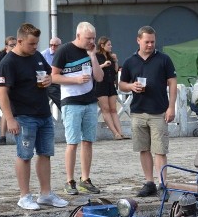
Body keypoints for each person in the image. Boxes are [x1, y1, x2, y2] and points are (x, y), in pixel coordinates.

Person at [0, 23, 68, 211]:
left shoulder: (36, 56)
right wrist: (10, 119)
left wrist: (49, 79)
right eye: (31, 44)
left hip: (43, 113)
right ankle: (24, 196)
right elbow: (2, 93)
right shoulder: (8, 63)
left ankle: (46, 194)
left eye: (36, 43)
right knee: (25, 155)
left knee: (45, 154)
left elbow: (50, 75)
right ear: (19, 41)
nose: (36, 47)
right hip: (23, 116)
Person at [118, 25, 178, 197]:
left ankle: (163, 184)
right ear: (138, 40)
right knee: (143, 149)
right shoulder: (130, 61)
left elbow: (173, 83)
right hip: (138, 111)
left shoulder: (164, 59)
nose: (150, 45)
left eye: (152, 42)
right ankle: (149, 182)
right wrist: (131, 86)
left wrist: (171, 106)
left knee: (160, 150)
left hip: (159, 111)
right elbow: (121, 84)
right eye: (147, 42)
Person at [51, 22, 105, 195]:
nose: (91, 41)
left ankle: (85, 179)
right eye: (88, 38)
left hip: (89, 101)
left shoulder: (91, 52)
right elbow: (54, 77)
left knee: (88, 141)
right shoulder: (64, 50)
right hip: (71, 101)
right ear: (78, 35)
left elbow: (99, 77)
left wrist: (93, 56)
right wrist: (75, 80)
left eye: (93, 38)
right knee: (72, 142)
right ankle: (69, 180)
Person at [95, 36, 126, 140]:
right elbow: (93, 69)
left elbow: (115, 71)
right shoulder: (96, 56)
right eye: (109, 44)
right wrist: (103, 65)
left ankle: (120, 133)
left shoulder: (110, 56)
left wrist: (116, 61)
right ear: (102, 45)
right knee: (106, 109)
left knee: (113, 109)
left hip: (110, 84)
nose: (111, 46)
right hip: (100, 85)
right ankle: (115, 133)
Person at [0, 36, 16, 144]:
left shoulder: (18, 55)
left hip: (14, 86)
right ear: (6, 46)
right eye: (12, 45)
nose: (15, 47)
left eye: (16, 44)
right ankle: (2, 136)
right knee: (7, 107)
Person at [41, 37, 62, 110]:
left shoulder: (62, 54)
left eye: (55, 45)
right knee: (60, 99)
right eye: (51, 45)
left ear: (60, 45)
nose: (53, 47)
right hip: (50, 82)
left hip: (61, 80)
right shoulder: (43, 54)